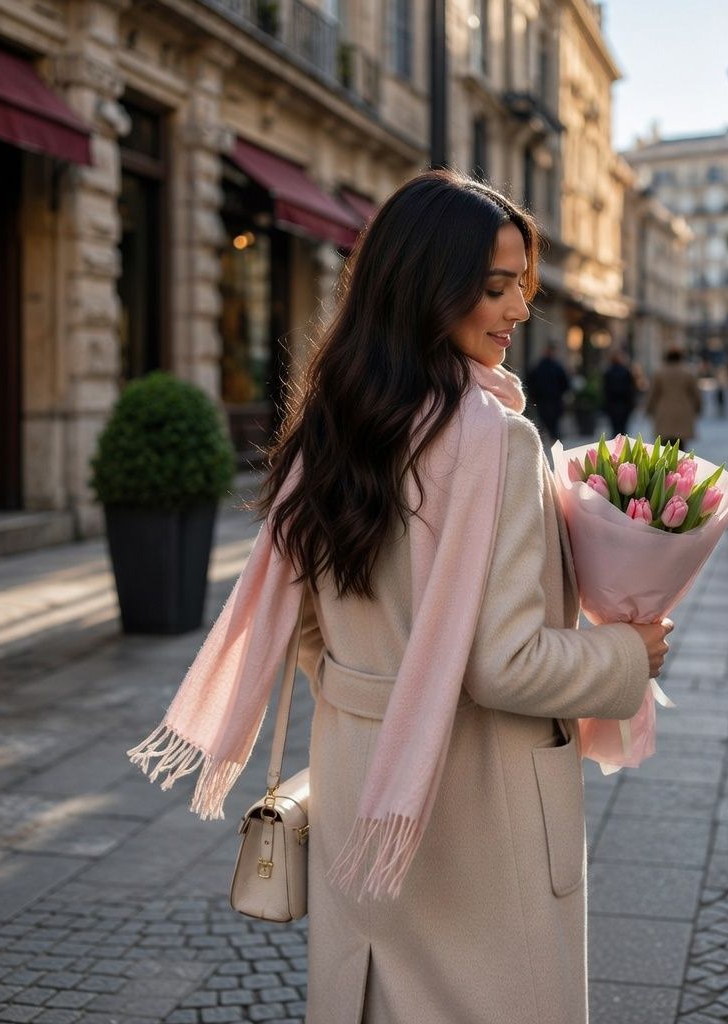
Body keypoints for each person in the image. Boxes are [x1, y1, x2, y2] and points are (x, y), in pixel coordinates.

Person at [127, 170, 673, 1024]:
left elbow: (307, 624)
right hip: (480, 810)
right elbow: (506, 664)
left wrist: (373, 687)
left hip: (361, 785)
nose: (518, 311)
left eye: (520, 289)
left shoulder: (336, 423)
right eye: (496, 289)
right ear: (428, 285)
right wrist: (627, 655)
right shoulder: (495, 440)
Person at [646, 347, 703, 449]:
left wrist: (649, 409)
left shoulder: (659, 373)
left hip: (663, 412)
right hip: (683, 413)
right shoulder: (688, 373)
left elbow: (653, 394)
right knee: (680, 446)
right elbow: (695, 394)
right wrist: (698, 408)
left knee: (664, 447)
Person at [526, 341, 570, 443]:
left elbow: (564, 384)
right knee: (548, 423)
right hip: (547, 400)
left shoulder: (554, 367)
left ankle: (551, 442)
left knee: (549, 424)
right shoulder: (542, 367)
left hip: (550, 401)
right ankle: (551, 442)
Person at [602, 347, 638, 437]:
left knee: (615, 429)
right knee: (623, 429)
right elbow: (631, 389)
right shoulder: (626, 372)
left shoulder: (608, 372)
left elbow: (605, 390)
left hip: (613, 405)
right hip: (624, 405)